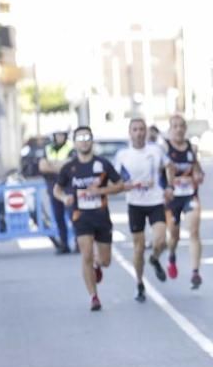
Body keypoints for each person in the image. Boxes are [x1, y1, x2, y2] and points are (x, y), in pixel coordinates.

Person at [54, 126, 127, 311]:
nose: (84, 141)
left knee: (106, 261)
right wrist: (65, 198)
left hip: (101, 216)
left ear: (92, 140)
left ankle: (97, 264)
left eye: (87, 137)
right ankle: (94, 296)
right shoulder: (69, 168)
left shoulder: (102, 164)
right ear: (75, 142)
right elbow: (57, 189)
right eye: (80, 138)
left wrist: (101, 190)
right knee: (85, 254)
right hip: (80, 216)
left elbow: (120, 185)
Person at [114, 118, 171, 302]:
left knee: (161, 241)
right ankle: (139, 284)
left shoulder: (155, 150)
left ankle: (154, 258)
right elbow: (116, 181)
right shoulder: (123, 155)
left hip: (155, 201)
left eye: (141, 129)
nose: (139, 133)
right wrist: (128, 185)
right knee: (138, 248)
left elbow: (168, 165)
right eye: (135, 129)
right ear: (130, 133)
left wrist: (169, 186)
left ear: (146, 132)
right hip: (135, 204)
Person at [164, 115, 205, 289]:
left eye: (181, 126)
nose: (179, 129)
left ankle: (195, 272)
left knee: (194, 232)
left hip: (190, 195)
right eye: (175, 126)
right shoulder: (164, 149)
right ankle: (171, 255)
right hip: (172, 199)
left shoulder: (191, 148)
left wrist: (198, 176)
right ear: (170, 129)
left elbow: (198, 171)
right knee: (174, 235)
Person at [39, 130, 74, 254]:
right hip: (53, 187)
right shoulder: (48, 149)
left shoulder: (71, 147)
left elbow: (71, 165)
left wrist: (52, 165)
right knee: (58, 217)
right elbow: (43, 166)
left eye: (62, 135)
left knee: (72, 215)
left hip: (68, 187)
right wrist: (60, 166)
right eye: (57, 135)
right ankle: (64, 244)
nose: (60, 137)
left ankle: (79, 244)